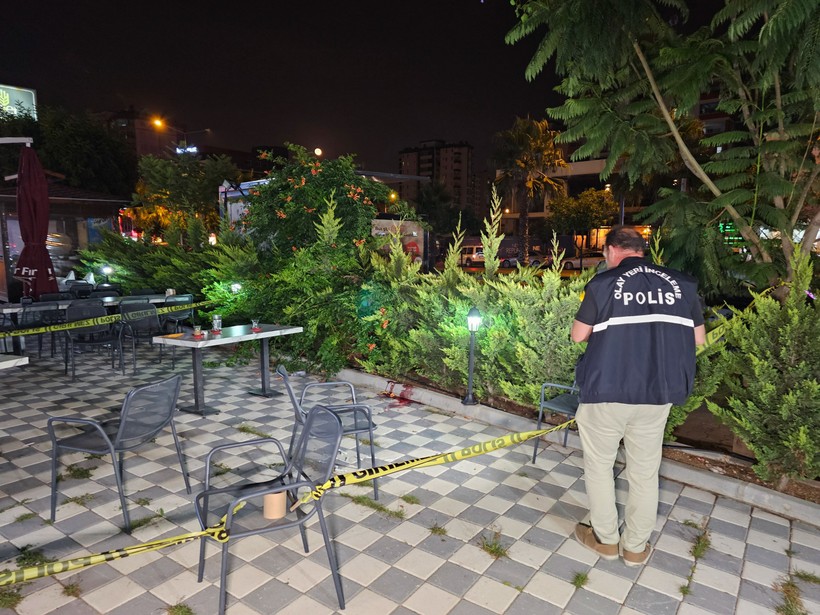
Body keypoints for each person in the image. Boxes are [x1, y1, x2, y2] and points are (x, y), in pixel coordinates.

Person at [570, 226, 705, 566]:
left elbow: (577, 336)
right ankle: (635, 548)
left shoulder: (602, 284)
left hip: (607, 391)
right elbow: (699, 339)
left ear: (612, 251)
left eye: (604, 254)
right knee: (644, 472)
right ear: (642, 251)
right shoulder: (682, 285)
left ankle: (605, 539)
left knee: (599, 467)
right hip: (657, 394)